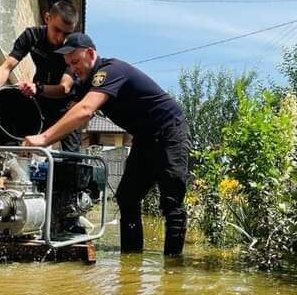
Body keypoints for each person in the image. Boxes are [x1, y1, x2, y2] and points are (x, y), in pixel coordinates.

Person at [21, 33, 190, 257]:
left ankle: (173, 272)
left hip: (170, 130)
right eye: (69, 65)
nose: (73, 69)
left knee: (171, 202)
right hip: (145, 137)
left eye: (76, 62)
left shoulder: (110, 71)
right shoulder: (87, 83)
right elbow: (66, 98)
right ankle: (131, 261)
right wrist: (38, 89)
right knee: (127, 197)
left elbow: (84, 111)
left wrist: (43, 139)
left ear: (90, 54)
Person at [0, 0, 82, 152]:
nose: (60, 38)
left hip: (67, 107)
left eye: (66, 33)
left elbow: (64, 88)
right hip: (40, 101)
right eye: (57, 30)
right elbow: (6, 67)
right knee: (22, 141)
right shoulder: (32, 36)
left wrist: (37, 88)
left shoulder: (72, 48)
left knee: (71, 160)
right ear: (47, 18)